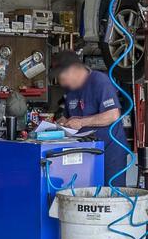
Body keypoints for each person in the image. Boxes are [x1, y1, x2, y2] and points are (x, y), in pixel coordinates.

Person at [52, 50, 131, 186]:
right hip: (86, 152)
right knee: (87, 194)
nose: (60, 81)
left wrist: (81, 122)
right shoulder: (71, 89)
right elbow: (67, 117)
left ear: (73, 70)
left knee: (111, 195)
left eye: (61, 76)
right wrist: (61, 123)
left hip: (109, 151)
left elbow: (112, 114)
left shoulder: (99, 81)